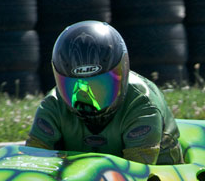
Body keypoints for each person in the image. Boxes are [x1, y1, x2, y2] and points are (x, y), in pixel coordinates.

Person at [26, 20, 183, 165]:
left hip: (157, 179)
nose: (86, 99)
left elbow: (137, 172)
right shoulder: (52, 105)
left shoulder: (143, 105)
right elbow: (32, 162)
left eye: (99, 87)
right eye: (74, 87)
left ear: (122, 75)